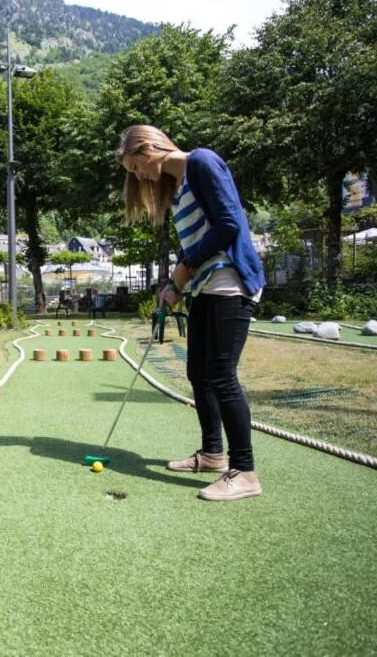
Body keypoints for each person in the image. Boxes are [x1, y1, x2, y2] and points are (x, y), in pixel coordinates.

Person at [116, 124, 266, 501]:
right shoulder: (178, 187)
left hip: (229, 283)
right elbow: (197, 244)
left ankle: (245, 472)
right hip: (205, 287)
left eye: (136, 166)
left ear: (149, 146)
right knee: (198, 372)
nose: (139, 176)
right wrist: (176, 284)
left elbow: (229, 225)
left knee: (221, 374)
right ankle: (213, 454)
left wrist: (182, 269)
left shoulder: (201, 162)